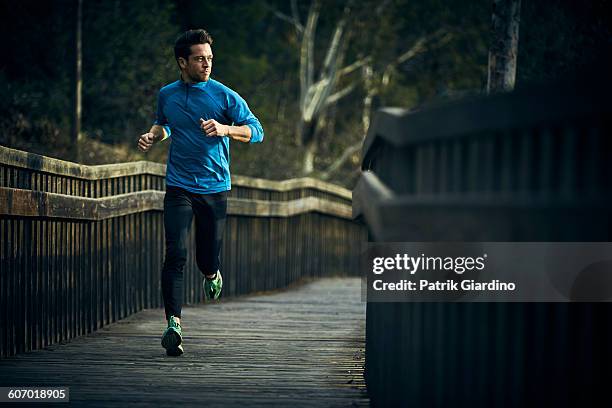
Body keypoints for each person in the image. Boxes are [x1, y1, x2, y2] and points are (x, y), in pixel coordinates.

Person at [137, 29, 264, 356]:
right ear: (183, 62)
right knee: (175, 252)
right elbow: (164, 122)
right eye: (199, 59)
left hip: (214, 187)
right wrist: (154, 135)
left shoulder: (224, 96)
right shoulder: (168, 94)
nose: (206, 64)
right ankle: (173, 325)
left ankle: (211, 273)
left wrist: (225, 129)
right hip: (178, 185)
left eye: (209, 58)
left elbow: (257, 131)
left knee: (205, 256)